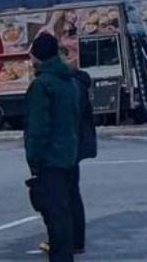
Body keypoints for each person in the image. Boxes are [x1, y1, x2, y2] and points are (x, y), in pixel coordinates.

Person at [24, 33, 80, 262]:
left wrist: (33, 159)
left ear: (38, 56)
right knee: (65, 213)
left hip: (50, 159)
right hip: (69, 155)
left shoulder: (42, 85)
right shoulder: (69, 81)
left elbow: (37, 128)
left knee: (54, 216)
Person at [41, 67, 97, 255]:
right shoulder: (77, 83)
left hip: (66, 147)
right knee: (71, 193)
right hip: (74, 145)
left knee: (63, 197)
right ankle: (74, 241)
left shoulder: (70, 85)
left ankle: (68, 242)